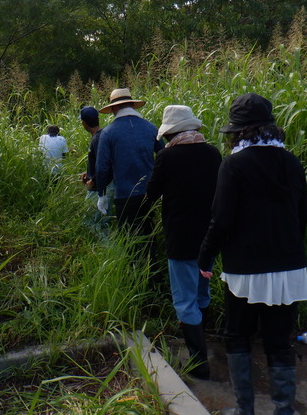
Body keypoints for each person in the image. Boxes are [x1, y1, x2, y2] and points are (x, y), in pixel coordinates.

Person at [197, 93, 307, 415]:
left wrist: (205, 258)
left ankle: (245, 410)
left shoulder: (233, 164)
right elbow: (302, 214)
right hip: (289, 266)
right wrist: (289, 249)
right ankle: (284, 409)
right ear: (270, 127)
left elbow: (221, 219)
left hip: (245, 268)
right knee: (279, 339)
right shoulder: (291, 162)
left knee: (238, 335)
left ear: (238, 131)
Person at [146, 105, 222, 380]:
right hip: (210, 236)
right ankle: (208, 343)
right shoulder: (213, 154)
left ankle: (199, 365)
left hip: (180, 238)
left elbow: (151, 193)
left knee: (184, 300)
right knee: (202, 292)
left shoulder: (168, 157)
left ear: (171, 133)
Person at [95, 88, 164, 262]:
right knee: (149, 234)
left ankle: (137, 279)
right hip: (151, 193)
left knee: (130, 240)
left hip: (125, 195)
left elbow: (102, 167)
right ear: (132, 105)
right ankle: (155, 274)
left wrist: (101, 194)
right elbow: (163, 156)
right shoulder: (150, 127)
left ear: (113, 108)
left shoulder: (108, 132)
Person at [79, 105, 112, 233]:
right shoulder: (102, 135)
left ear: (84, 123)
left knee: (92, 223)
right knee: (101, 223)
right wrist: (90, 173)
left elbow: (104, 164)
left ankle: (106, 249)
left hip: (100, 188)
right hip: (106, 186)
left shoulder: (98, 139)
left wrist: (93, 180)